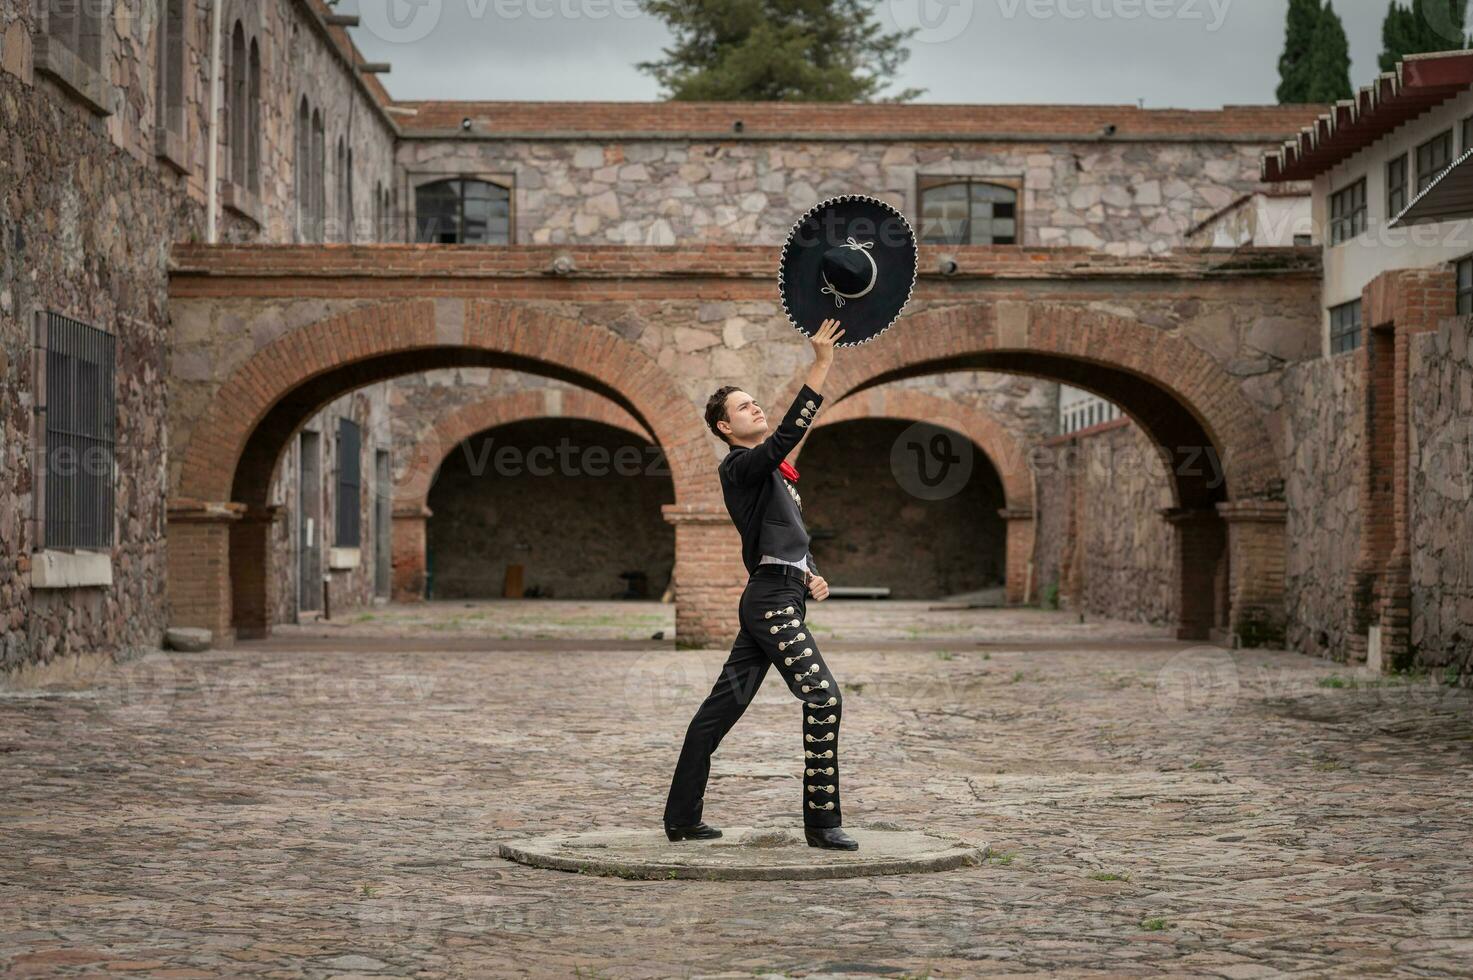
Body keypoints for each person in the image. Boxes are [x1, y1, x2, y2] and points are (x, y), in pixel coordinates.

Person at [662, 318, 858, 851]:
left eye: (755, 402)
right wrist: (821, 365)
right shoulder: (742, 467)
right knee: (824, 697)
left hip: (778, 594)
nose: (756, 409)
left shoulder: (773, 477)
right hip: (771, 601)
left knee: (718, 712)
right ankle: (822, 824)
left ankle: (681, 818)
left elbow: (789, 534)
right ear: (725, 429)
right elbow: (786, 436)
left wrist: (811, 571)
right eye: (744, 407)